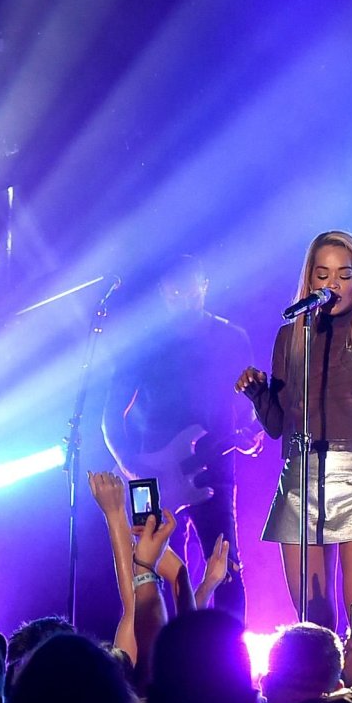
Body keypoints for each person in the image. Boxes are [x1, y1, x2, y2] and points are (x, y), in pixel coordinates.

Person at [238, 230, 352, 629]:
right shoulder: (291, 337)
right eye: (323, 275)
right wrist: (258, 394)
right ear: (310, 281)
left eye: (343, 275)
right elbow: (278, 426)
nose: (332, 284)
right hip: (301, 480)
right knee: (313, 626)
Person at [103, 253, 256, 619]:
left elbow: (251, 405)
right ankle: (158, 650)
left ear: (205, 286)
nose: (183, 298)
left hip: (214, 469)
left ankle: (229, 650)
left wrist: (252, 431)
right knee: (148, 573)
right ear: (162, 292)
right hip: (149, 474)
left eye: (190, 290)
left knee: (226, 568)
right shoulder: (147, 344)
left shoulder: (231, 338)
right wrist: (131, 467)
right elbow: (109, 417)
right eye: (174, 292)